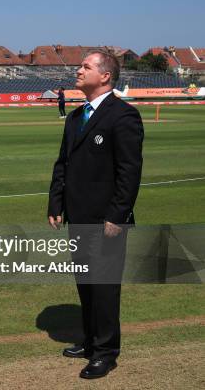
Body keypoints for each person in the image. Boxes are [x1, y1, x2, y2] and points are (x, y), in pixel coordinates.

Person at [48, 51, 143, 379]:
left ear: (104, 76)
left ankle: (105, 352)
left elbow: (129, 172)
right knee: (86, 285)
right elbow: (63, 164)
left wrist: (117, 215)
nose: (78, 70)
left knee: (104, 288)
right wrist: (55, 203)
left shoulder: (124, 116)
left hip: (107, 222)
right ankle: (90, 341)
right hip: (78, 217)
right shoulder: (75, 117)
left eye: (85, 66)